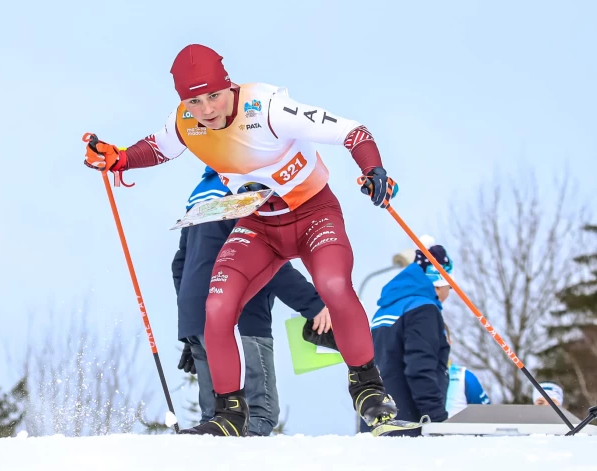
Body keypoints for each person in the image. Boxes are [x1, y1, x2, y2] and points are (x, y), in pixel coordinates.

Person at [83, 43, 400, 436]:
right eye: (195, 100)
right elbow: (157, 147)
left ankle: (367, 386)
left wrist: (374, 170)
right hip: (259, 226)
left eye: (213, 95)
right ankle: (229, 412)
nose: (207, 109)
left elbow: (353, 132)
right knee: (215, 307)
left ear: (228, 86)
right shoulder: (185, 120)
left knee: (334, 286)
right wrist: (120, 158)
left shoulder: (266, 107)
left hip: (313, 213)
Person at [173, 165, 331, 436]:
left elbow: (181, 266)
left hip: (199, 318)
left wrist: (193, 332)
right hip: (242, 317)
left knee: (216, 415)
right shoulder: (248, 189)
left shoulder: (199, 197)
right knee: (258, 413)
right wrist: (315, 305)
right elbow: (269, 258)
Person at [361, 244, 453, 434]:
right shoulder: (423, 309)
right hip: (408, 427)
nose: (449, 291)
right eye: (449, 285)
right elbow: (419, 367)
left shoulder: (383, 311)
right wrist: (437, 420)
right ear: (438, 282)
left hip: (375, 423)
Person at [443, 323, 491, 418]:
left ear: (449, 342)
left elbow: (488, 419)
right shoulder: (410, 376)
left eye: (442, 339)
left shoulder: (463, 377)